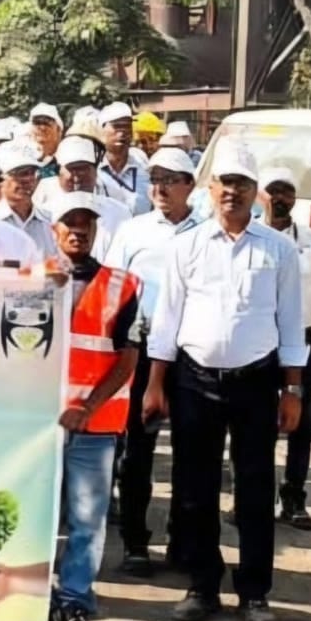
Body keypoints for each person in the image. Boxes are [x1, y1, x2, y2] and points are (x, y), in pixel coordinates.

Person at [144, 139, 306, 621]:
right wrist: (155, 384)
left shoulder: (280, 250)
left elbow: (291, 323)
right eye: (225, 182)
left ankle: (254, 593)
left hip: (256, 381)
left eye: (242, 183)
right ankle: (202, 586)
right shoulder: (186, 246)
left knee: (255, 489)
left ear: (256, 192)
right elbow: (167, 321)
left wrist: (293, 390)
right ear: (210, 188)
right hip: (194, 380)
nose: (232, 191)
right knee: (195, 488)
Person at [32, 192, 140, 621]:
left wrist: (87, 408)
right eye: (69, 222)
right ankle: (38, 609)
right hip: (39, 426)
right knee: (36, 521)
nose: (78, 229)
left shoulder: (123, 286)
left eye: (86, 223)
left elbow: (127, 359)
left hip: (95, 426)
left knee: (87, 523)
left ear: (96, 230)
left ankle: (75, 606)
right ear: (53, 230)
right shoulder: (29, 280)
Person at [104, 147, 201, 575]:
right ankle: (135, 543)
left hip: (191, 355)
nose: (160, 187)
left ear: (190, 185)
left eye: (170, 179)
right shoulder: (133, 231)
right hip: (141, 352)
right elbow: (112, 292)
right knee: (137, 453)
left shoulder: (208, 231)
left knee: (190, 453)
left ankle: (182, 541)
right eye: (155, 178)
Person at [260, 165, 311, 529]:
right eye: (273, 190)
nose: (280, 198)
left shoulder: (310, 240)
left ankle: (294, 498)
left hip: (302, 341)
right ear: (261, 195)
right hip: (259, 342)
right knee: (254, 422)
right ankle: (254, 497)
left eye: (287, 191)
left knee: (301, 423)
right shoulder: (250, 236)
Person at [39, 136, 132, 260]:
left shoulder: (120, 212)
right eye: (71, 169)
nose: (78, 175)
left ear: (95, 171)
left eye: (84, 168)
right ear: (59, 172)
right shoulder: (44, 213)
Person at [0, 143, 57, 259]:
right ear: (0, 179)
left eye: (32, 172)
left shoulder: (49, 221)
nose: (28, 179)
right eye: (19, 173)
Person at [99, 103, 151, 215]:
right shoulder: (94, 170)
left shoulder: (142, 164)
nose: (122, 132)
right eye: (117, 126)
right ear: (101, 130)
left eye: (127, 126)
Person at [29, 104, 62, 179]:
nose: (42, 128)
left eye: (47, 124)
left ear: (58, 130)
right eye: (37, 123)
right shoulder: (24, 158)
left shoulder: (66, 158)